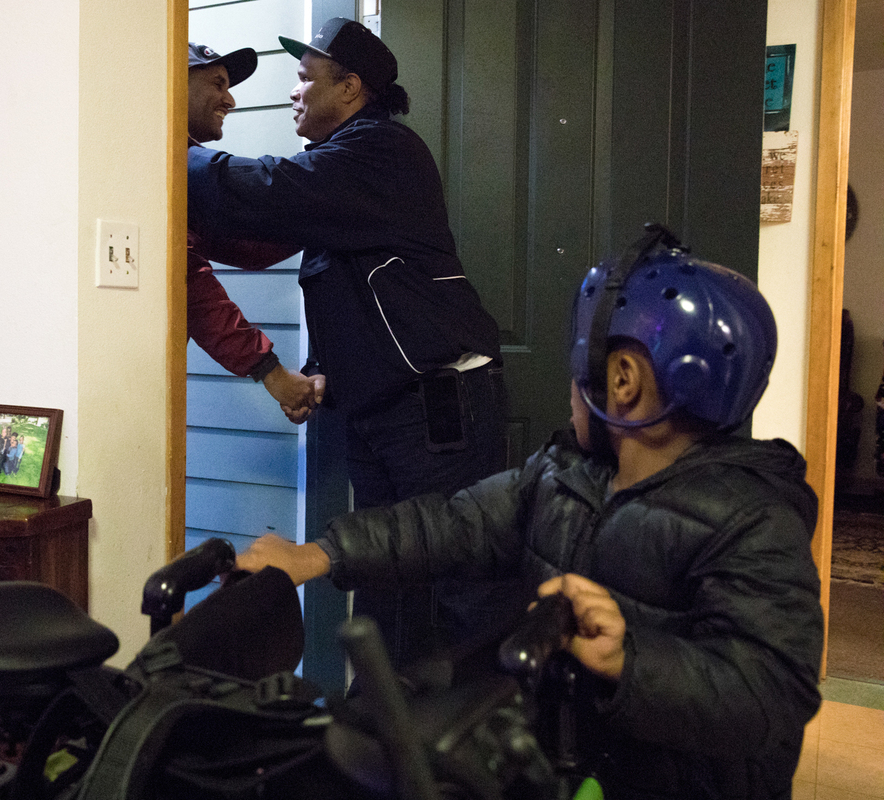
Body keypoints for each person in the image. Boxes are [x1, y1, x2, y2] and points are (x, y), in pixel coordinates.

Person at [234, 229, 824, 799]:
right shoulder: (562, 472)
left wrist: (630, 660)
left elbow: (773, 690)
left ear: (623, 381)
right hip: (564, 764)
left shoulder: (753, 520)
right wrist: (320, 554)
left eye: (580, 363)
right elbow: (451, 522)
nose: (572, 384)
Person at [188, 19, 510, 666]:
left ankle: (478, 744)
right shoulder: (339, 176)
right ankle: (383, 733)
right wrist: (320, 365)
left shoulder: (379, 151)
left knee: (455, 585)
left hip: (437, 405)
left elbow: (260, 195)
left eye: (305, 79)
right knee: (385, 576)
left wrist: (163, 146)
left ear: (352, 86)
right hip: (386, 410)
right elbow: (280, 253)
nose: (293, 93)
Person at [186, 41, 319, 416]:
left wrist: (330, 207)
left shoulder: (179, 170)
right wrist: (270, 372)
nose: (230, 100)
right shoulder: (160, 162)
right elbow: (190, 284)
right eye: (218, 84)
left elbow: (243, 246)